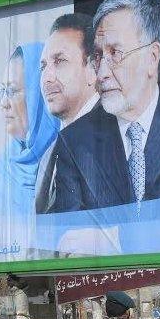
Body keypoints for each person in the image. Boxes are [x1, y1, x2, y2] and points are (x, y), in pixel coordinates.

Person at [37, 0, 160, 215]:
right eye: (99, 56)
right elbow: (69, 237)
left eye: (115, 53)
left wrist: (113, 237)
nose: (102, 73)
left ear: (152, 56)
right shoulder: (75, 142)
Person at [0, 43, 60, 246]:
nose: (4, 102)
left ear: (38, 95)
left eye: (12, 91)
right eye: (1, 91)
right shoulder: (2, 171)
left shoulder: (69, 156)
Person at [35, 13, 99, 214]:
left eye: (59, 61)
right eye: (43, 66)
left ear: (93, 69)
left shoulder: (119, 136)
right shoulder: (48, 155)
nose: (47, 77)